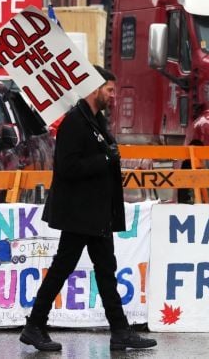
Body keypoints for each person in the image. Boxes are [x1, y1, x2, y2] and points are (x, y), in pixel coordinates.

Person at [20, 66, 157, 352]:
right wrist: (105, 159)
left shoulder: (96, 120)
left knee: (106, 269)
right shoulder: (75, 122)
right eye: (109, 90)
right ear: (94, 89)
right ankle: (35, 326)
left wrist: (108, 158)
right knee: (63, 267)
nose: (114, 95)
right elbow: (67, 168)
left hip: (97, 212)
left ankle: (120, 332)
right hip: (79, 213)